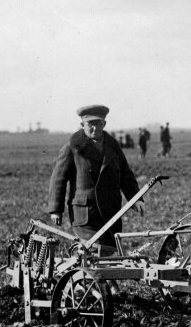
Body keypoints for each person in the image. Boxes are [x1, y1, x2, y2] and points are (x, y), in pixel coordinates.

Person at [47, 105, 140, 250]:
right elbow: (58, 179)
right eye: (90, 124)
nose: (95, 128)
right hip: (85, 214)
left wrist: (136, 199)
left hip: (111, 212)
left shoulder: (113, 147)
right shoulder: (72, 148)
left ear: (104, 124)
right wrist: (55, 209)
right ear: (82, 125)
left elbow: (126, 174)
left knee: (111, 253)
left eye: (98, 124)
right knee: (96, 251)